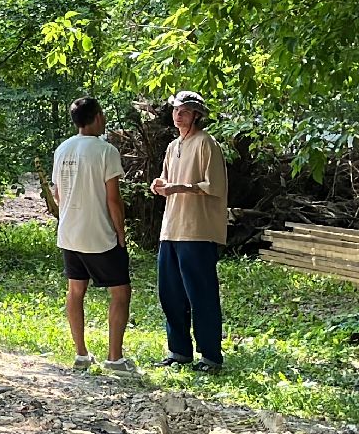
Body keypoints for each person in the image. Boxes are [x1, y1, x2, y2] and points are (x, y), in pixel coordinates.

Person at [50, 97, 135, 373]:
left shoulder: (62, 149)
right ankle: (115, 358)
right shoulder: (106, 151)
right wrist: (120, 232)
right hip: (99, 235)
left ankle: (81, 354)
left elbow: (57, 194)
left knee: (76, 291)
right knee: (120, 292)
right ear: (97, 116)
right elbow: (113, 199)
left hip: (69, 233)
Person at [150, 90, 228, 372]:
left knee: (201, 294)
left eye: (184, 111)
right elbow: (167, 179)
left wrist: (179, 188)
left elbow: (214, 186)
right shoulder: (173, 146)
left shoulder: (207, 143)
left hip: (197, 230)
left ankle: (210, 356)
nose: (178, 115)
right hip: (171, 229)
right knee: (170, 293)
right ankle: (179, 351)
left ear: (196, 115)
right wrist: (160, 184)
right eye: (175, 110)